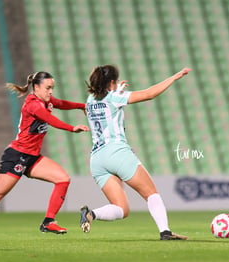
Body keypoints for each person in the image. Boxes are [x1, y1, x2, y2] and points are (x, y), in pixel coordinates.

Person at [0, 71, 89, 242]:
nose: (51, 92)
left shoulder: (46, 101)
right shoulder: (33, 105)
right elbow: (50, 120)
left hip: (33, 157)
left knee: (63, 179)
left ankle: (49, 221)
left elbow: (62, 103)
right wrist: (72, 128)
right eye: (48, 88)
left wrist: (81, 106)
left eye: (52, 88)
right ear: (36, 87)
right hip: (17, 156)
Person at [80, 65, 192, 240]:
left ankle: (90, 214)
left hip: (97, 159)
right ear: (111, 82)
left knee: (121, 208)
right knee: (151, 193)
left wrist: (117, 90)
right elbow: (149, 94)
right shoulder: (115, 97)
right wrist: (174, 77)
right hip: (117, 153)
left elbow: (106, 104)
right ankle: (165, 232)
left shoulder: (89, 100)